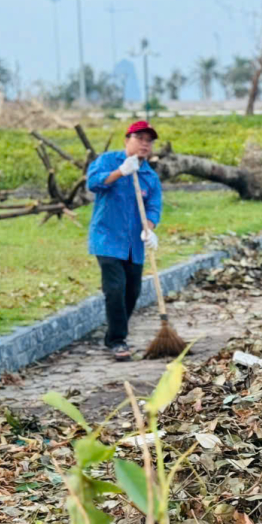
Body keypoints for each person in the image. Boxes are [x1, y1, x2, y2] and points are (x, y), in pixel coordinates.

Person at [86, 121, 162, 362]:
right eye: (139, 138)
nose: (144, 144)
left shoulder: (149, 176)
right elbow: (93, 183)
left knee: (133, 290)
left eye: (148, 140)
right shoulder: (107, 161)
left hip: (134, 243)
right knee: (115, 287)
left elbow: (153, 207)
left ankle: (113, 335)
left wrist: (149, 229)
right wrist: (121, 171)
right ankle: (118, 341)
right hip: (107, 237)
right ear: (127, 139)